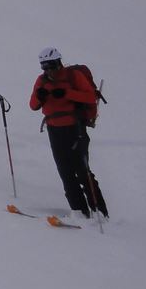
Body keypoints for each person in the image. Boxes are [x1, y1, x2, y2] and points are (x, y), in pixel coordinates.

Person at [29, 46, 108, 220]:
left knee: (82, 169)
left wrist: (67, 93)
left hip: (75, 128)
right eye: (45, 67)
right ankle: (79, 211)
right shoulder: (41, 81)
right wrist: (40, 96)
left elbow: (89, 97)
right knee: (64, 170)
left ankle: (100, 212)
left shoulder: (74, 76)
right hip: (54, 129)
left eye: (51, 66)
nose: (49, 71)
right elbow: (33, 105)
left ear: (59, 62)